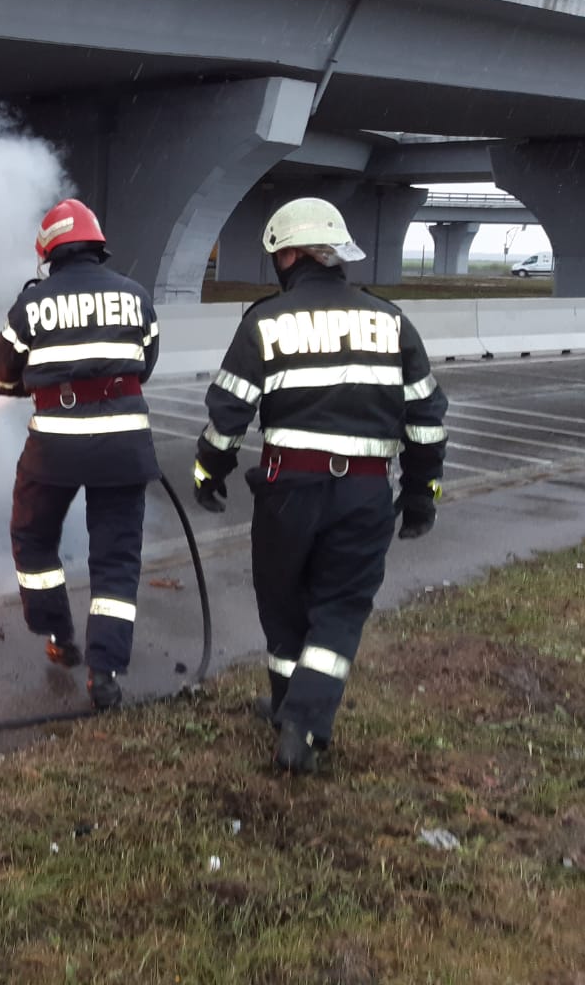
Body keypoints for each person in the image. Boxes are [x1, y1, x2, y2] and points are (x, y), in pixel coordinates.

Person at [192, 197, 448, 774]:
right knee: (338, 608)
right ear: (336, 254)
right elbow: (427, 422)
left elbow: (228, 413)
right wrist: (419, 497)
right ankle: (298, 718)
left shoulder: (265, 321)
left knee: (284, 604)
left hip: (287, 491)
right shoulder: (391, 321)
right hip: (363, 496)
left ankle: (296, 714)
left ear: (287, 254)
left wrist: (210, 473)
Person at [0, 199, 160, 711]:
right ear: (96, 244)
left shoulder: (32, 305)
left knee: (33, 538)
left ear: (48, 252)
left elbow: (0, 376)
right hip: (125, 449)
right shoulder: (136, 296)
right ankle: (104, 673)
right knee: (116, 560)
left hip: (54, 451)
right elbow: (144, 365)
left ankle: (60, 637)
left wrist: (38, 384)